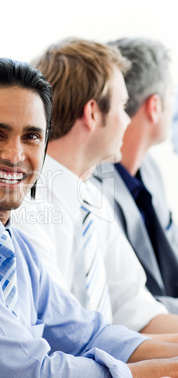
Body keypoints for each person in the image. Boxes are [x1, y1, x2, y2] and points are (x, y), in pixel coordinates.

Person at [0, 56, 178, 377]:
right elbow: (27, 372)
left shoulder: (9, 240)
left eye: (31, 136)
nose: (15, 155)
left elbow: (87, 334)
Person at [14, 38, 178, 333]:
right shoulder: (24, 206)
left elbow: (136, 309)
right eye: (124, 107)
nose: (128, 120)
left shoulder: (91, 199)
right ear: (92, 113)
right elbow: (65, 334)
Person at [94, 38, 178, 313]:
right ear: (155, 106)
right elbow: (126, 304)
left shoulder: (149, 168)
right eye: (173, 96)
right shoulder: (92, 188)